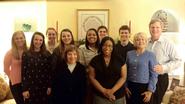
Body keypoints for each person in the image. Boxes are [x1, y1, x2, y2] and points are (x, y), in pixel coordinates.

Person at [147, 19, 181, 104]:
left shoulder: (168, 43)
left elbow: (178, 60)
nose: (155, 29)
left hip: (160, 79)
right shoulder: (145, 42)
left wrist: (163, 68)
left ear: (161, 29)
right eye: (152, 27)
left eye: (157, 27)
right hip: (146, 78)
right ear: (149, 28)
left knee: (154, 102)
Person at [88, 36, 127, 104]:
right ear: (101, 46)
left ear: (113, 47)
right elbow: (91, 77)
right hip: (100, 95)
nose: (107, 48)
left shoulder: (120, 59)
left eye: (110, 46)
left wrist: (111, 91)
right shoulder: (95, 60)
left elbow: (123, 77)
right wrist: (104, 91)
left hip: (118, 95)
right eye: (104, 45)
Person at [125, 32, 158, 104]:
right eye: (138, 39)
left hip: (144, 88)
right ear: (134, 42)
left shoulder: (151, 55)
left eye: (143, 39)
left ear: (146, 41)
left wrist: (150, 91)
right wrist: (125, 86)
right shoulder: (129, 54)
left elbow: (154, 74)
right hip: (130, 87)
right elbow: (125, 71)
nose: (140, 41)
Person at [22, 32, 52, 104]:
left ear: (43, 41)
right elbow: (24, 73)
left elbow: (49, 72)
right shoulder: (26, 54)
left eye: (40, 40)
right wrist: (24, 89)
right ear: (32, 40)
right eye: (36, 39)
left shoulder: (47, 54)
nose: (38, 42)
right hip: (30, 87)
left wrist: (49, 86)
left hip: (44, 86)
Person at [4, 31, 27, 104]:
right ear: (13, 40)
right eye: (16, 38)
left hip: (27, 82)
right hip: (16, 83)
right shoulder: (9, 53)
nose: (19, 40)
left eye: (21, 38)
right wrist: (13, 78)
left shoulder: (28, 50)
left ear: (24, 39)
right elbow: (6, 69)